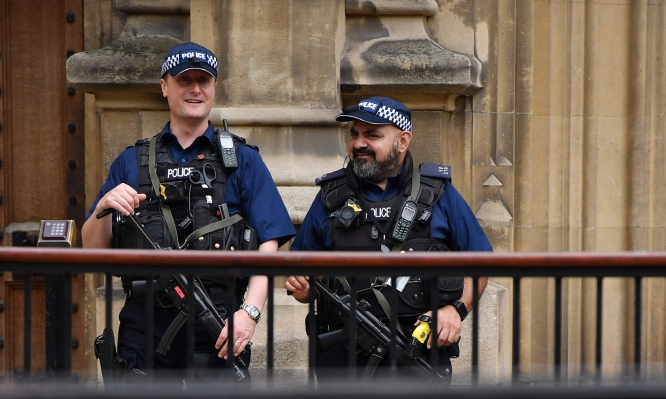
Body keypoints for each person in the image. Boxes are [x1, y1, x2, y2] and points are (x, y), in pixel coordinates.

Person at [82, 42, 295, 375]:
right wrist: (104, 208)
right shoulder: (131, 162)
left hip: (218, 318)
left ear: (213, 88)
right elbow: (92, 249)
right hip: (146, 322)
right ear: (164, 86)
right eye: (184, 80)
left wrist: (249, 314)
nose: (195, 89)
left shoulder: (243, 160)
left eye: (204, 80)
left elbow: (269, 243)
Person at [286, 98, 492, 376]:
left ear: (403, 141)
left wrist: (456, 309)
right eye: (354, 134)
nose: (359, 143)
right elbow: (304, 281)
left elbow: (480, 263)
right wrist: (303, 287)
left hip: (417, 355)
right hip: (343, 361)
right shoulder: (330, 196)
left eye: (372, 135)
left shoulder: (438, 193)